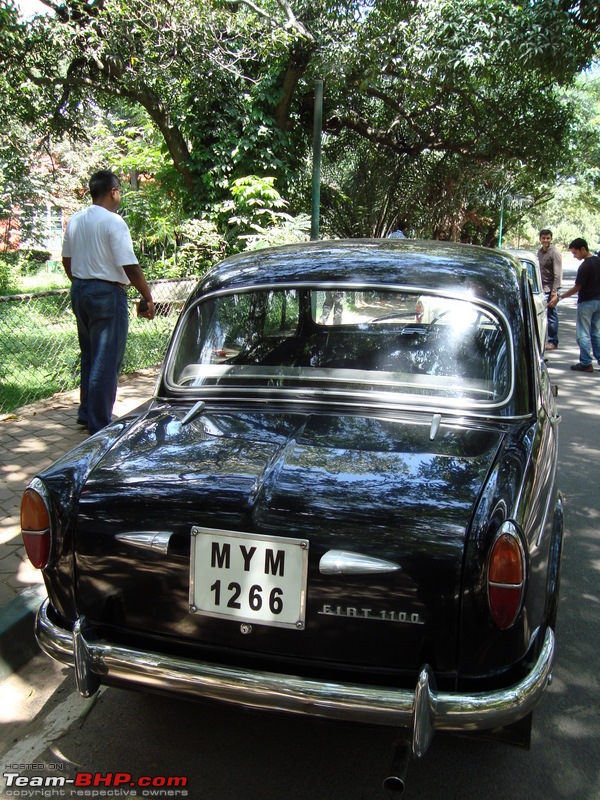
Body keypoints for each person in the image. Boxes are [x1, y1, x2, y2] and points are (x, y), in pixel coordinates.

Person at [62, 170, 155, 433]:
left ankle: (86, 412)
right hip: (107, 294)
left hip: (80, 291)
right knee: (106, 358)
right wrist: (148, 296)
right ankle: (100, 422)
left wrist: (82, 282)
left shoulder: (76, 220)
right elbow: (130, 265)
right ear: (113, 191)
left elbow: (66, 260)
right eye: (120, 190)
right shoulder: (114, 221)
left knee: (90, 354)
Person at [548, 238, 600, 373]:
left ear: (583, 249)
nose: (574, 256)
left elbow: (577, 287)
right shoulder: (598, 261)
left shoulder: (585, 266)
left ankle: (586, 363)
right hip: (598, 302)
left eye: (575, 253)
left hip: (587, 302)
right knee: (596, 333)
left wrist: (559, 297)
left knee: (582, 334)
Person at [537, 229, 562, 350]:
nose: (545, 240)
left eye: (548, 238)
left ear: (551, 239)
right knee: (540, 315)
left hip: (551, 289)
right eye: (543, 238)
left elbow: (558, 273)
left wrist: (554, 291)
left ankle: (553, 341)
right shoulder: (540, 252)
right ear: (540, 239)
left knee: (551, 316)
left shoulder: (555, 252)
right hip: (541, 288)